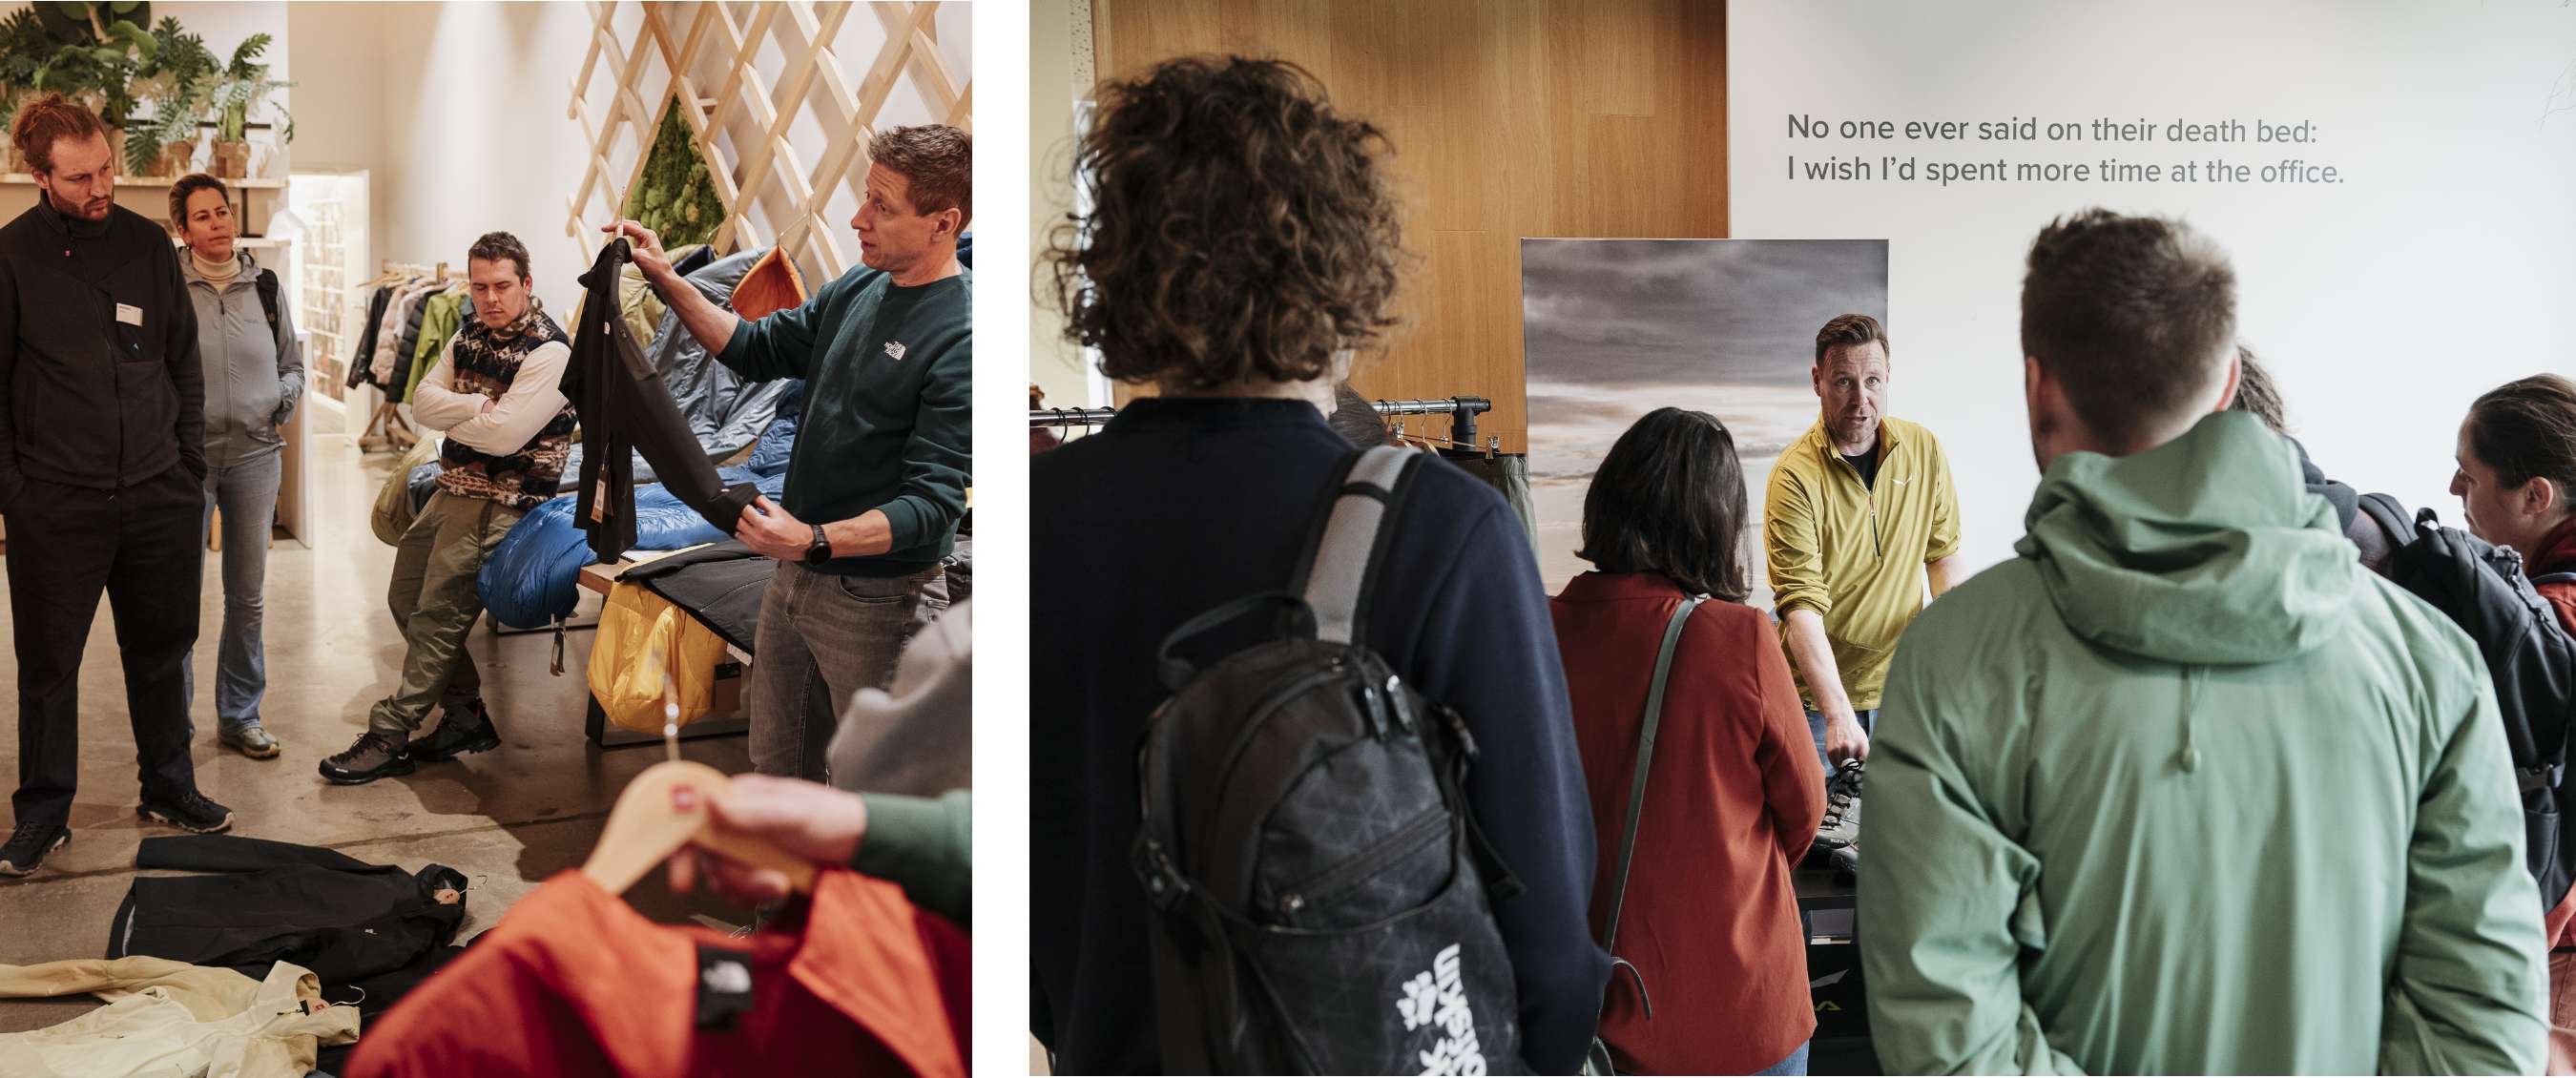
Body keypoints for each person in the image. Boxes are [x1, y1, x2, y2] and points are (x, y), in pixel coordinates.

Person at [1859, 208, 2546, 1073]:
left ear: (2039, 388)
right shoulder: (2428, 662)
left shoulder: (1952, 656)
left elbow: (1948, 1035)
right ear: (2227, 389)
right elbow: (2485, 1030)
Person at [1029, 56, 1608, 1074]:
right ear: (1342, 267)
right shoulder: (1445, 529)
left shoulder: (1039, 521)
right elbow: (1552, 944)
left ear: (1117, 268)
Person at [608, 122, 971, 785]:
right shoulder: (858, 289)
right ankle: (784, 892)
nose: (858, 218)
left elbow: (933, 505)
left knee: (877, 789)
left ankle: (850, 895)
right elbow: (752, 348)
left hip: (878, 598)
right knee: (777, 768)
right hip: (796, 579)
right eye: (865, 197)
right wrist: (665, 279)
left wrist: (814, 538)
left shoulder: (964, 334)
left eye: (882, 207)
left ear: (943, 223)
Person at [0, 94, 234, 876]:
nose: (101, 188)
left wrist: (187, 467)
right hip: (56, 501)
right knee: (49, 665)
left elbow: (182, 363)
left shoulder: (145, 245)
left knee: (163, 650)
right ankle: (43, 813)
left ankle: (170, 786)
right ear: (38, 176)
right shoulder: (12, 256)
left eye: (106, 168)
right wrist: (16, 493)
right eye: (79, 178)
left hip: (157, 492)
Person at [1550, 407, 1823, 1076]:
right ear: (1716, 520)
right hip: (1744, 1005)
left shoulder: (1538, 627)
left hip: (1600, 1011)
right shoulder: (1740, 637)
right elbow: (1805, 812)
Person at [322, 232, 574, 784]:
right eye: (480, 286)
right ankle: (465, 716)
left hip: (501, 500)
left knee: (437, 615)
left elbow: (506, 436)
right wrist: (477, 407)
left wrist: (466, 415)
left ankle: (392, 733)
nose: (490, 298)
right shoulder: (468, 334)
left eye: (502, 286)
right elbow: (421, 402)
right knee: (404, 599)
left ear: (527, 285)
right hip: (451, 486)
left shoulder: (551, 352)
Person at [1762, 313, 1963, 778]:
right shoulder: (1793, 478)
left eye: (1872, 380)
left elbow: (1943, 557)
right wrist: (1836, 714)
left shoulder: (1924, 449)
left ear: (1888, 375)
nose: (1861, 399)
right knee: (1817, 843)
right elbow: (1800, 607)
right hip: (1818, 701)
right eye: (1843, 382)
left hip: (1902, 689)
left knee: (1899, 835)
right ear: (1818, 381)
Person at [2449, 373, 2576, 1070]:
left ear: (2536, 496)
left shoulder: (2548, 629)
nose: (2453, 493)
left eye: (2469, 475)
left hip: (2557, 961)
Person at [172, 173, 302, 760]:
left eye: (221, 211)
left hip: (255, 456)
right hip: (185, 462)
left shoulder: (266, 286)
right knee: (177, 596)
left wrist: (281, 399)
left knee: (246, 597)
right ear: (184, 230)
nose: (218, 222)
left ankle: (240, 716)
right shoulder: (168, 287)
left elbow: (293, 364)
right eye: (202, 216)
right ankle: (172, 728)